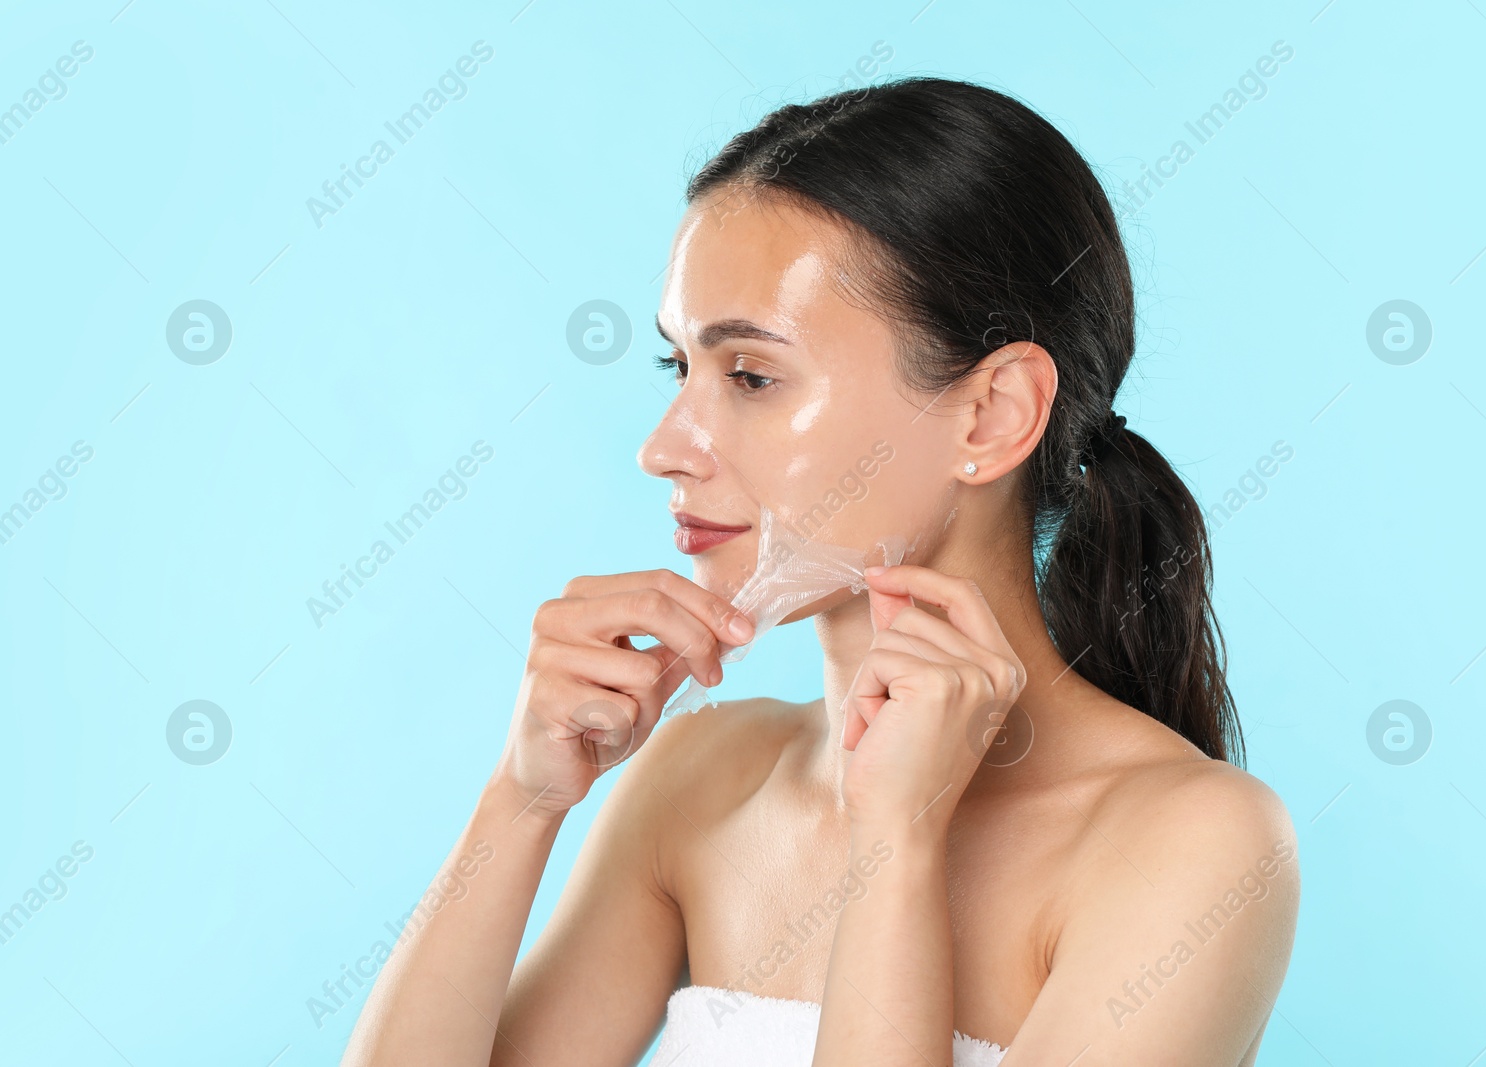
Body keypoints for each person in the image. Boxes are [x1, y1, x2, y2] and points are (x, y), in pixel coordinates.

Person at [341, 75, 1299, 1067]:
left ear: (991, 413)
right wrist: (523, 797)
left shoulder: (1196, 844)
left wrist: (897, 845)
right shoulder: (700, 780)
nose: (664, 447)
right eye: (680, 369)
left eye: (751, 375)